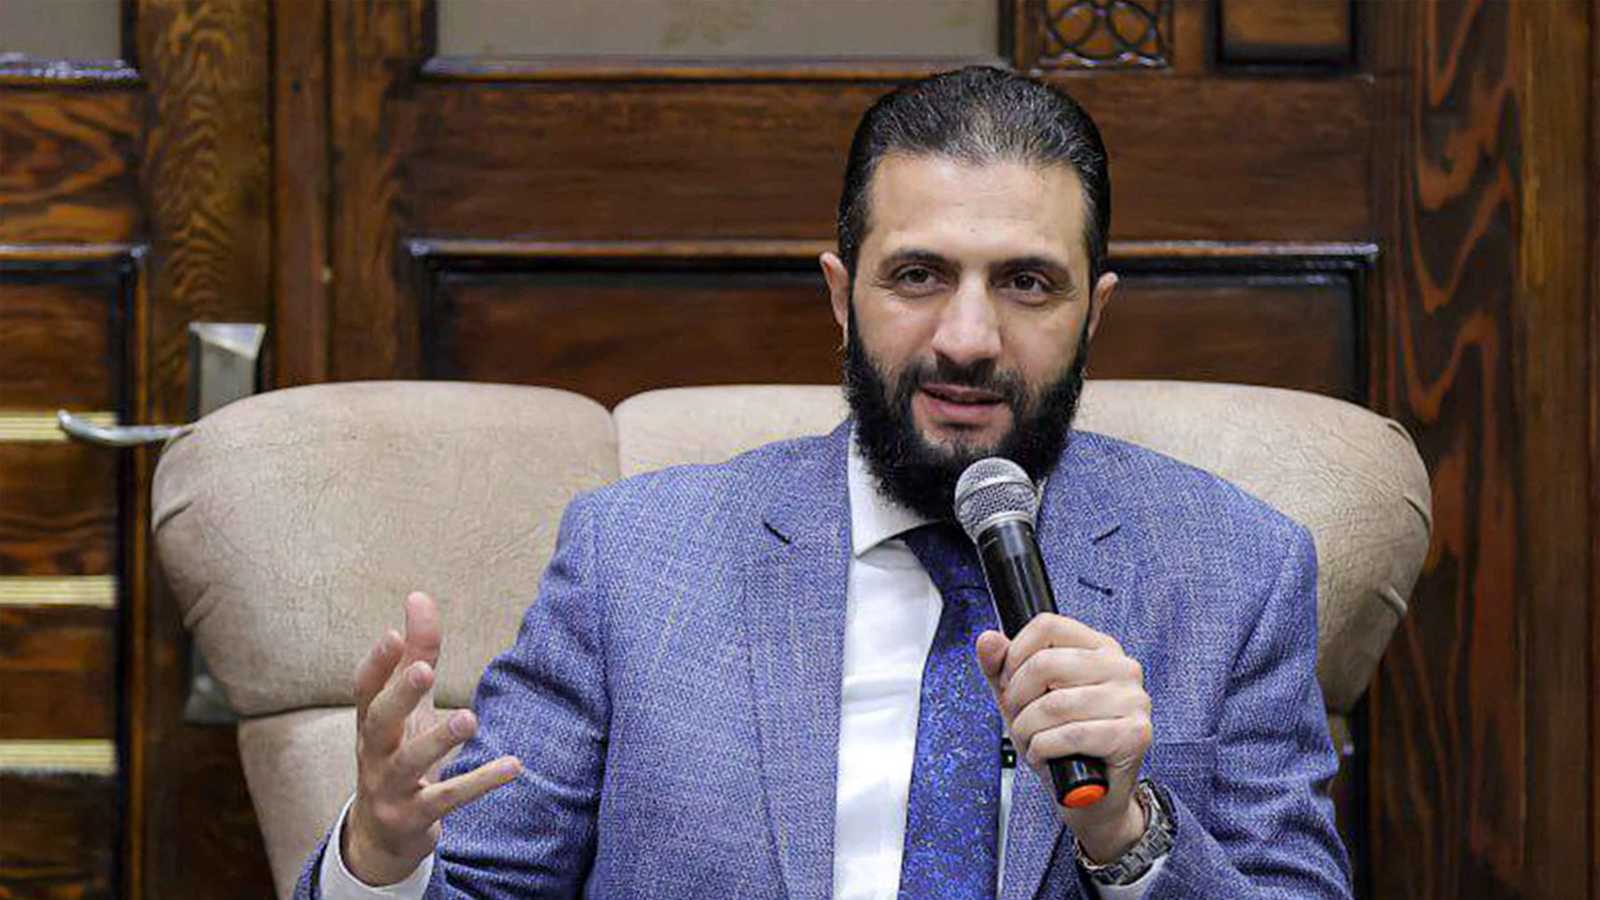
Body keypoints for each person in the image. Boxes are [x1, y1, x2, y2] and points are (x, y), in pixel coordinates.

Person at [297, 66, 1352, 899]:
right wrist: (381, 861)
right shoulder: (635, 562)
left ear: (1093, 314)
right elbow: (478, 884)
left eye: (1027, 283)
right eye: (917, 276)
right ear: (842, 298)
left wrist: (1126, 832)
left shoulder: (1237, 570)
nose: (968, 338)